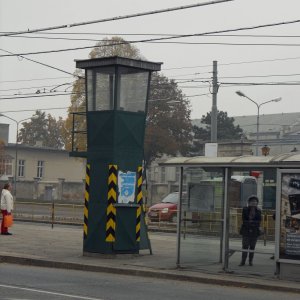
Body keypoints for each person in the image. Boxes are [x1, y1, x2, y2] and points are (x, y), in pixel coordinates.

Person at [239, 195, 262, 266]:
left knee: (252, 247)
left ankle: (250, 261)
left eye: (255, 201)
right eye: (252, 201)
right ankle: (243, 261)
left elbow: (259, 221)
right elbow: (244, 220)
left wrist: (251, 223)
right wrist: (252, 223)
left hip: (255, 232)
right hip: (246, 231)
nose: (253, 203)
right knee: (245, 246)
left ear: (257, 203)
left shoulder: (259, 210)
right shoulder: (245, 209)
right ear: (249, 202)